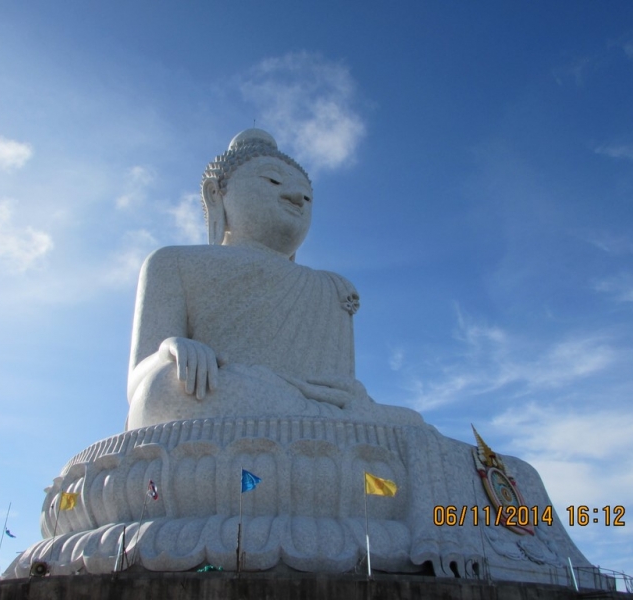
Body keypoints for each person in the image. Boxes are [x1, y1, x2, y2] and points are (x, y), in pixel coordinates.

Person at [126, 129, 422, 429]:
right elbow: (138, 383)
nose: (297, 198)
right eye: (273, 181)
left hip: (310, 407)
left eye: (307, 196)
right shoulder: (171, 262)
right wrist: (169, 351)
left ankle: (324, 423)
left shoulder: (331, 286)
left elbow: (339, 389)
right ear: (216, 194)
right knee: (161, 390)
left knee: (414, 423)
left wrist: (342, 400)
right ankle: (332, 427)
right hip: (227, 394)